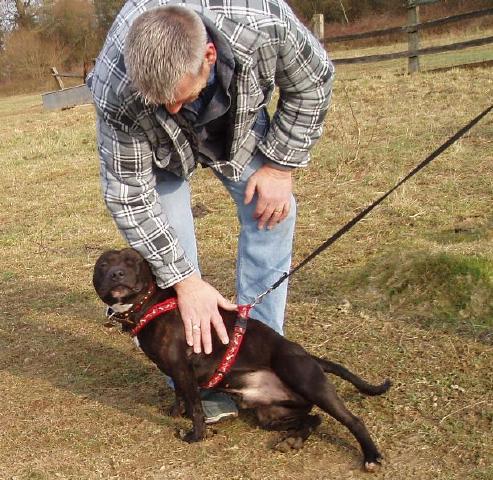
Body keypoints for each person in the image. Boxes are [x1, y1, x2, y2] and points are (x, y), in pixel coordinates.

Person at [87, 0, 334, 422]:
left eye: (181, 97)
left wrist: (280, 165)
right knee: (171, 260)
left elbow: (312, 83)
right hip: (157, 153)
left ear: (209, 56)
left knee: (275, 212)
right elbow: (129, 194)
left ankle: (258, 359)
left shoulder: (267, 29)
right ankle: (194, 376)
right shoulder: (116, 88)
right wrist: (184, 280)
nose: (173, 110)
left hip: (235, 121)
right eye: (160, 101)